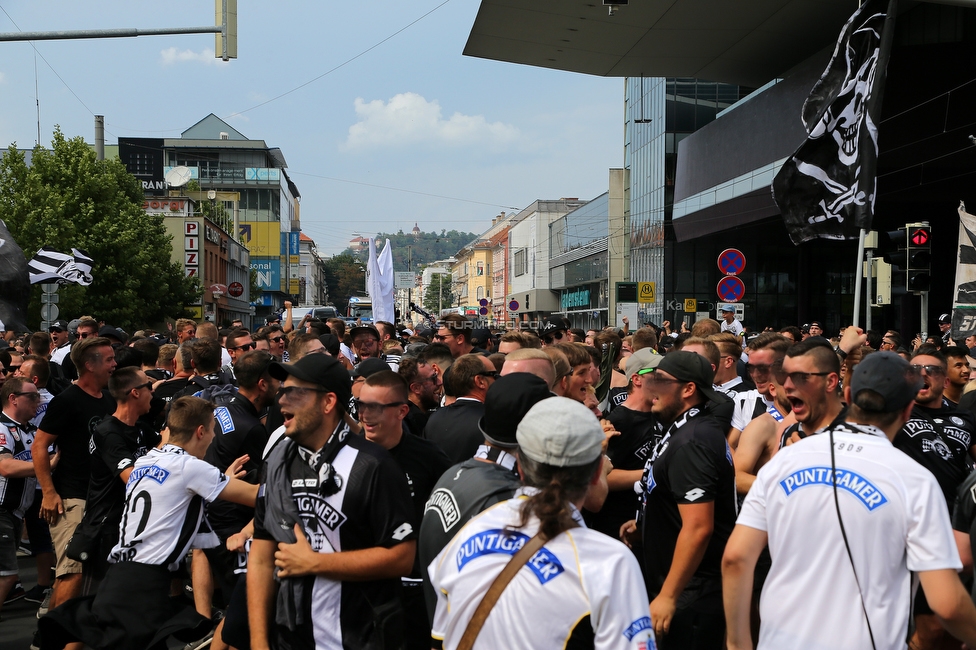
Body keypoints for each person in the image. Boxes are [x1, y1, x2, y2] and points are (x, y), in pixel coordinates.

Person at [722, 352, 976, 650]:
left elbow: (736, 559)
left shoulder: (784, 461)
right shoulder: (915, 480)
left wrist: (737, 643)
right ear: (908, 410)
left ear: (847, 394)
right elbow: (947, 604)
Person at [428, 396, 655, 650]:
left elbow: (440, 639)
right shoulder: (609, 561)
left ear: (521, 468)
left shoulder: (471, 529)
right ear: (595, 474)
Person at [39, 396, 259, 650]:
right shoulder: (192, 468)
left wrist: (221, 479)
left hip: (121, 576)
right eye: (211, 431)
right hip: (144, 585)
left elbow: (173, 498)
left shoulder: (145, 462)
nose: (212, 439)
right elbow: (257, 496)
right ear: (200, 431)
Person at [248, 353, 417, 650]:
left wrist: (315, 563)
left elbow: (402, 557)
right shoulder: (278, 463)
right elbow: (262, 558)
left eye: (294, 392)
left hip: (359, 637)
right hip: (291, 637)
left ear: (328, 403)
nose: (281, 400)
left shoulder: (373, 465)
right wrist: (260, 643)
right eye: (282, 390)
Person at [638, 351, 737, 649]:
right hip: (687, 587)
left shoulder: (693, 441)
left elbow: (698, 528)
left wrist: (668, 595)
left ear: (688, 389)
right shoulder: (688, 427)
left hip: (692, 593)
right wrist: (648, 518)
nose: (649, 388)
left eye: (659, 381)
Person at [358, 370, 452, 649]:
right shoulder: (345, 454)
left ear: (402, 411)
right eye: (361, 405)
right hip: (362, 587)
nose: (365, 415)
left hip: (415, 589)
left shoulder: (428, 456)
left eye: (376, 407)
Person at [32, 337, 116, 613]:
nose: (115, 365)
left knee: (88, 575)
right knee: (73, 571)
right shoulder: (67, 400)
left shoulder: (108, 399)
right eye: (109, 360)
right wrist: (49, 492)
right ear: (89, 366)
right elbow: (39, 446)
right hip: (71, 497)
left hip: (100, 499)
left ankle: (53, 634)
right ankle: (54, 636)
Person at [0, 377, 42, 613]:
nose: (38, 401)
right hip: (2, 510)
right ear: (13, 399)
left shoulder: (32, 431)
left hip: (16, 513)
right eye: (32, 396)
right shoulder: (1, 427)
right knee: (7, 576)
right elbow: (5, 467)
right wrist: (48, 464)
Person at [423, 354, 496, 463]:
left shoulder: (434, 418)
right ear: (480, 381)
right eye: (494, 375)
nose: (498, 379)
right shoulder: (491, 420)